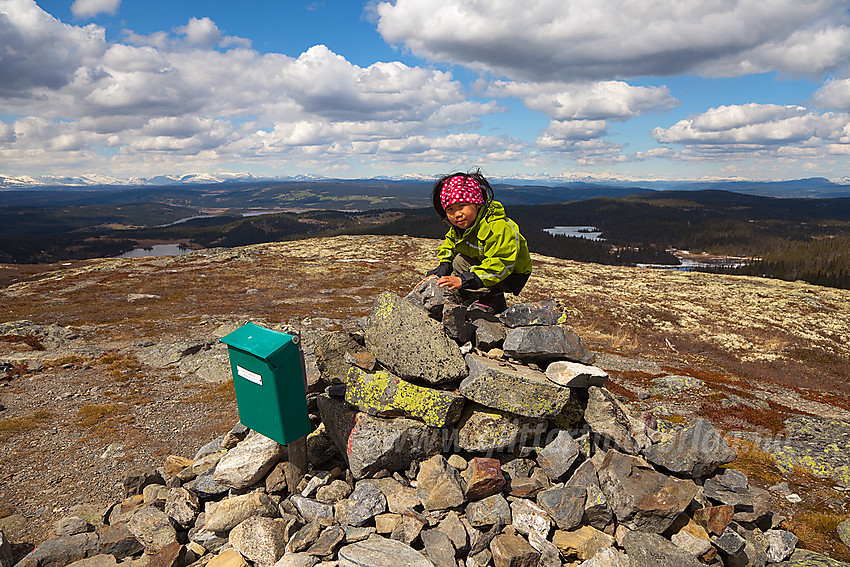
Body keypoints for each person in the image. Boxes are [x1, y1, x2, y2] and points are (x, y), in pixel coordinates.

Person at [425, 170, 532, 313]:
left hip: (510, 274)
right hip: (486, 263)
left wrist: (463, 280)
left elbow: (501, 263)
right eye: (450, 209)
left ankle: (493, 298)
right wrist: (444, 266)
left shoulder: (498, 227)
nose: (457, 214)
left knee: (461, 267)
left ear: (477, 202)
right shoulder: (463, 227)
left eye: (462, 206)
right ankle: (470, 294)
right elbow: (450, 244)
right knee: (457, 261)